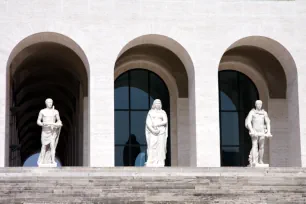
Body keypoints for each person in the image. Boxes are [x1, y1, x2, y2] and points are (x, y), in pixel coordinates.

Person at [245, 100, 272, 167]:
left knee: (261, 146)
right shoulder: (252, 112)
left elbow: (268, 122)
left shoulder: (264, 113)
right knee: (254, 145)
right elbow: (248, 122)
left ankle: (260, 160)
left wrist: (268, 131)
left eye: (260, 104)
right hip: (255, 131)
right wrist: (251, 130)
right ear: (255, 105)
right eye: (258, 104)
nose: (259, 105)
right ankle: (254, 160)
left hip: (262, 131)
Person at [37, 98, 62, 166]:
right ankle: (42, 160)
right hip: (45, 131)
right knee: (44, 146)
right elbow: (38, 121)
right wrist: (42, 124)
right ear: (46, 103)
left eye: (51, 102)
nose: (50, 103)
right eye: (48, 102)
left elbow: (59, 120)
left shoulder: (55, 111)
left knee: (52, 146)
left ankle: (52, 160)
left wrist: (56, 124)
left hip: (52, 131)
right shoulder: (42, 111)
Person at [145, 99, 168, 167]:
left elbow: (165, 121)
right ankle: (151, 161)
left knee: (161, 146)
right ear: (154, 104)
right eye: (156, 103)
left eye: (159, 103)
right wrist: (153, 130)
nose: (158, 104)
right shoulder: (150, 112)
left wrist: (157, 124)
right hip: (153, 132)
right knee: (152, 145)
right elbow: (148, 123)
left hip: (161, 131)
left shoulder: (163, 112)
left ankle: (160, 161)